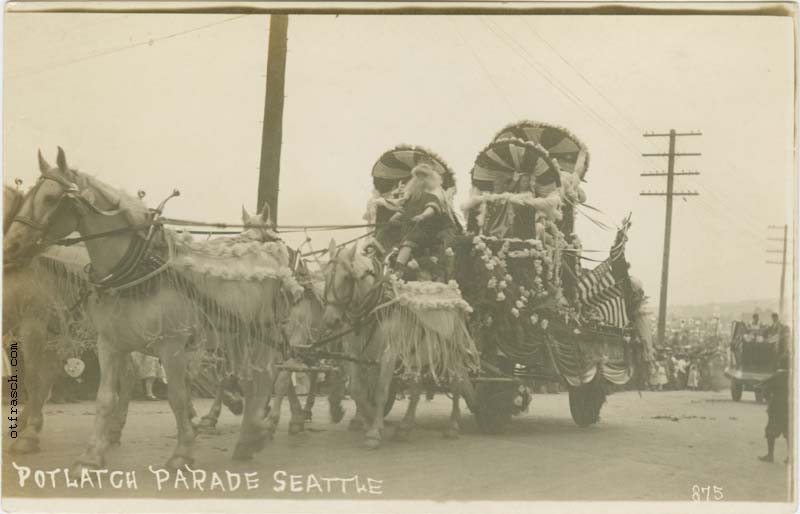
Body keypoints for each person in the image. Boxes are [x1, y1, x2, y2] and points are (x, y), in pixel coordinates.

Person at [389, 163, 456, 278]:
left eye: (422, 177)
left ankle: (398, 270)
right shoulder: (409, 199)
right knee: (387, 231)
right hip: (406, 230)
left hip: (425, 234)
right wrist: (394, 218)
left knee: (411, 238)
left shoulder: (431, 197)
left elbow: (431, 209)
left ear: (427, 180)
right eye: (417, 176)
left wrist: (422, 216)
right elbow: (401, 212)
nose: (418, 180)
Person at [759, 353, 791, 464]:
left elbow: (765, 389)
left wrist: (768, 400)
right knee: (789, 432)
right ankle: (790, 456)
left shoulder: (776, 376)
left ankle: (770, 455)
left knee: (770, 431)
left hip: (776, 407)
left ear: (779, 364)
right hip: (790, 407)